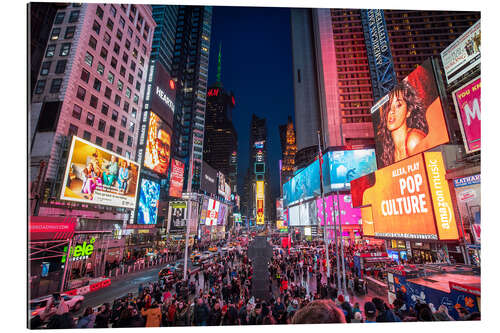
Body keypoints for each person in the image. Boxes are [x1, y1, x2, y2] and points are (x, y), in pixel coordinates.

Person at [376, 81, 429, 166]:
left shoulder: (413, 141)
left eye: (398, 105)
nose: (391, 111)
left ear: (408, 112)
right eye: (388, 106)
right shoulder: (389, 150)